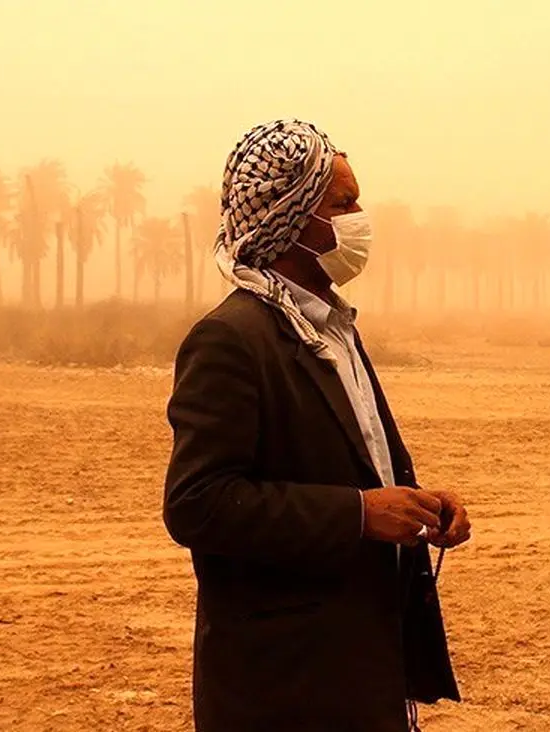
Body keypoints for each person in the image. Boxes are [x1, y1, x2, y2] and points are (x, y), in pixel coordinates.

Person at [163, 119, 471, 732]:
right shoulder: (231, 339)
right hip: (284, 684)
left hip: (362, 664)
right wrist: (359, 514)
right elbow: (197, 504)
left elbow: (354, 460)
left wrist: (417, 504)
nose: (360, 219)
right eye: (343, 205)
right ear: (289, 218)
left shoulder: (332, 327)